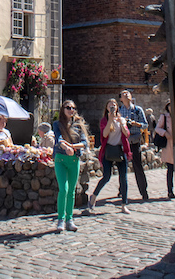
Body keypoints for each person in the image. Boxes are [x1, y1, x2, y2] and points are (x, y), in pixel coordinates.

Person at [87, 98, 131, 214]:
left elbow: (127, 134)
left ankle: (123, 204)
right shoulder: (104, 120)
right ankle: (94, 197)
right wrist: (110, 121)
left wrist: (121, 123)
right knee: (106, 176)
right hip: (108, 150)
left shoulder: (121, 119)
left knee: (123, 178)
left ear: (117, 107)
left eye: (114, 105)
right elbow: (105, 134)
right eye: (110, 105)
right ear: (107, 108)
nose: (112, 107)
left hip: (120, 150)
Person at [52, 100, 89, 232]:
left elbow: (84, 142)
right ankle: (61, 219)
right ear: (63, 109)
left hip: (74, 160)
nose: (71, 110)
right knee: (64, 189)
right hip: (61, 159)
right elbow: (59, 139)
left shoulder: (78, 125)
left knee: (72, 191)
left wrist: (72, 147)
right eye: (68, 107)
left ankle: (70, 219)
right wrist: (66, 147)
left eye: (73, 108)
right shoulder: (57, 124)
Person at [119, 89, 149, 201]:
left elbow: (145, 125)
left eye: (128, 93)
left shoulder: (137, 110)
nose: (126, 95)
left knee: (138, 166)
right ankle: (121, 190)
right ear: (121, 99)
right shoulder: (120, 111)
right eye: (123, 94)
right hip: (123, 142)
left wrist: (136, 124)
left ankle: (143, 191)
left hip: (135, 141)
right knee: (122, 166)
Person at [154, 102, 175, 199]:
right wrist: (165, 133)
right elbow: (157, 128)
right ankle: (170, 191)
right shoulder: (165, 117)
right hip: (169, 146)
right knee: (170, 169)